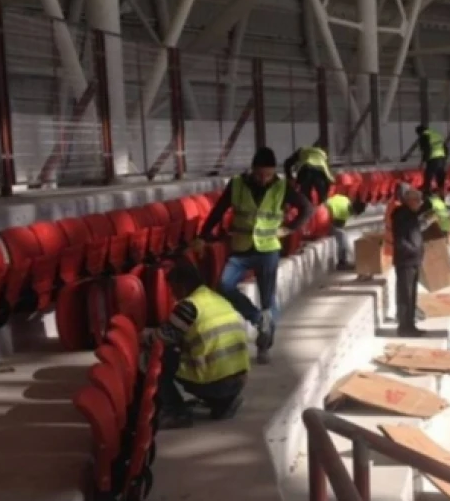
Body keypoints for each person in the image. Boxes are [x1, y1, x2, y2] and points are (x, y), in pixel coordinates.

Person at [198, 147, 314, 364]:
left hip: (268, 249)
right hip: (242, 249)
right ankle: (257, 318)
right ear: (252, 170)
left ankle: (264, 346)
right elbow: (218, 211)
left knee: (268, 299)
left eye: (268, 175)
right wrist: (203, 235)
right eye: (260, 174)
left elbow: (307, 208)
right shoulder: (237, 185)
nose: (264, 179)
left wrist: (289, 229)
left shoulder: (281, 187)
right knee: (224, 285)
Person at [143, 261, 250, 429]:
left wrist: (143, 336)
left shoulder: (188, 306)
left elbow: (160, 338)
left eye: (173, 288)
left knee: (153, 357)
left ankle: (175, 412)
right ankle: (223, 403)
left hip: (215, 381)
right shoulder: (216, 299)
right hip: (239, 378)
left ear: (183, 286)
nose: (172, 294)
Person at [390, 186, 437, 337]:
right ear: (409, 201)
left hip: (413, 260)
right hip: (406, 261)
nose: (420, 203)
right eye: (417, 200)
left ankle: (410, 325)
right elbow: (400, 240)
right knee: (405, 295)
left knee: (411, 295)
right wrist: (413, 250)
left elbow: (415, 231)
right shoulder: (402, 215)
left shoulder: (410, 215)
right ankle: (404, 327)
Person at [325, 193, 366, 271]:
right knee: (342, 236)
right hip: (323, 222)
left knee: (343, 234)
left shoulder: (345, 199)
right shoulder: (344, 213)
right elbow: (336, 224)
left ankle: (343, 260)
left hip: (321, 209)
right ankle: (342, 262)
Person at [415, 124, 448, 195]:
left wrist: (422, 162)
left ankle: (427, 195)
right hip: (442, 159)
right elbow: (446, 148)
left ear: (419, 132)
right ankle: (442, 197)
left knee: (428, 177)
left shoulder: (424, 136)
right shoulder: (437, 135)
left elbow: (426, 150)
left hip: (433, 159)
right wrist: (445, 159)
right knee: (440, 180)